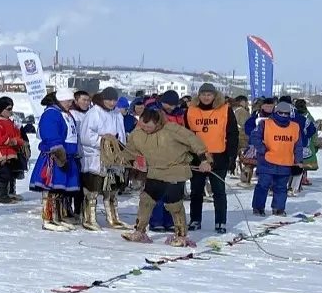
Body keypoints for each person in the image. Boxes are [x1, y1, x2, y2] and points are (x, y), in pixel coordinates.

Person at [122, 108, 208, 247]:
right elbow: (131, 152)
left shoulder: (172, 129)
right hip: (155, 171)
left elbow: (193, 141)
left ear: (158, 123)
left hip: (175, 170)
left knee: (173, 203)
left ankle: (181, 235)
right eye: (143, 126)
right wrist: (120, 157)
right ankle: (139, 231)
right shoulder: (137, 134)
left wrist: (204, 160)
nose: (145, 129)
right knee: (146, 200)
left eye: (148, 127)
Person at [185, 83, 237, 234]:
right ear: (198, 96)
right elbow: (186, 135)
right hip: (197, 157)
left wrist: (231, 156)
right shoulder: (191, 111)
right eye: (203, 94)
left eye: (209, 94)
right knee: (196, 191)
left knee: (219, 191)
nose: (206, 97)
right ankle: (195, 219)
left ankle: (220, 221)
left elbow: (232, 133)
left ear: (215, 96)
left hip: (219, 156)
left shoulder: (225, 110)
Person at [77, 88, 129, 231]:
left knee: (112, 189)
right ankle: (89, 218)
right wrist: (104, 141)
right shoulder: (93, 113)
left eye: (114, 100)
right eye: (109, 100)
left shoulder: (117, 113)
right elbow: (86, 136)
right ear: (103, 99)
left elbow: (122, 133)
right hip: (95, 156)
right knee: (92, 189)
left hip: (114, 157)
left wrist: (120, 146)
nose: (112, 103)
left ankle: (113, 218)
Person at [30, 91, 82, 232]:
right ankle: (47, 219)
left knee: (60, 191)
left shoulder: (64, 113)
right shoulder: (51, 114)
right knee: (50, 190)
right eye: (67, 101)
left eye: (71, 101)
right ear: (60, 100)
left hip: (68, 157)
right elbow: (51, 134)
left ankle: (57, 217)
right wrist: (58, 151)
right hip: (55, 157)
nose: (70, 104)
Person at [250, 101, 301, 217]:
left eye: (286, 113)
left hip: (285, 162)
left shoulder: (295, 127)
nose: (283, 115)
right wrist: (262, 149)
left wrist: (298, 161)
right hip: (267, 161)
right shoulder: (265, 124)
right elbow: (254, 137)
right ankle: (258, 207)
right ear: (276, 112)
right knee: (263, 185)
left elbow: (298, 145)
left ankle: (278, 208)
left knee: (281, 188)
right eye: (281, 113)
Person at [292, 98, 320, 195]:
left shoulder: (306, 116)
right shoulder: (305, 116)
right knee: (300, 162)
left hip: (303, 142)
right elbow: (313, 130)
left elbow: (313, 130)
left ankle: (299, 181)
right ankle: (296, 184)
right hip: (302, 141)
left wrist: (310, 138)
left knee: (302, 162)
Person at [231, 95, 253, 185]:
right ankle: (245, 177)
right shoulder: (242, 112)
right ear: (242, 102)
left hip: (235, 136)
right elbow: (245, 125)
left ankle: (239, 173)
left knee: (239, 157)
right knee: (246, 158)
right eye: (246, 102)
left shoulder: (233, 110)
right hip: (243, 137)